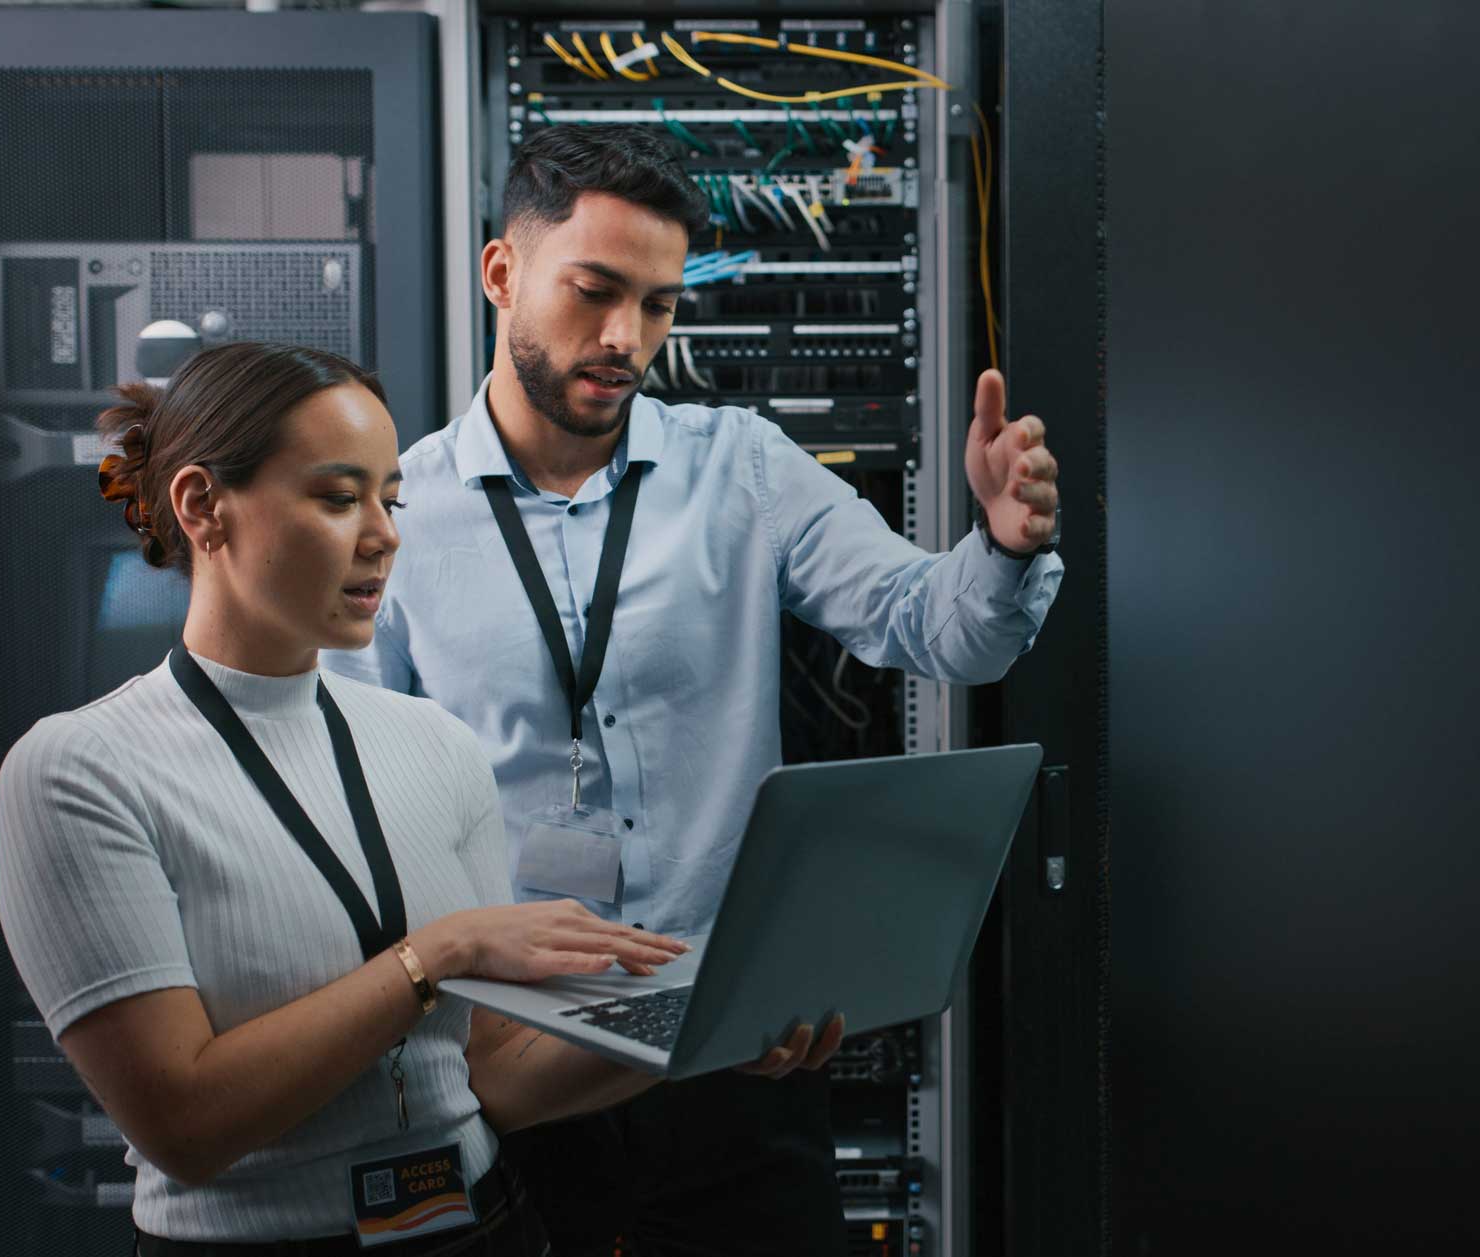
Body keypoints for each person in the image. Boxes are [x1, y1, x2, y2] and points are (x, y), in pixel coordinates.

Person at [322, 124, 1063, 1255]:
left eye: (660, 305)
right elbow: (348, 801)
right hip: (510, 1068)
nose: (627, 339)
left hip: (735, 1055)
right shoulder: (397, 512)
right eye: (594, 292)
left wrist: (1000, 546)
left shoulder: (743, 468)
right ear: (501, 273)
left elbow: (939, 628)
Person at [0, 341, 835, 1256]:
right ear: (203, 506)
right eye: (337, 496)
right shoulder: (80, 771)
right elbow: (184, 1124)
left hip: (483, 1225)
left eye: (390, 499)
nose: (385, 533)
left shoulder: (434, 744)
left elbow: (496, 1078)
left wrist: (706, 1026)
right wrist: (437, 953)